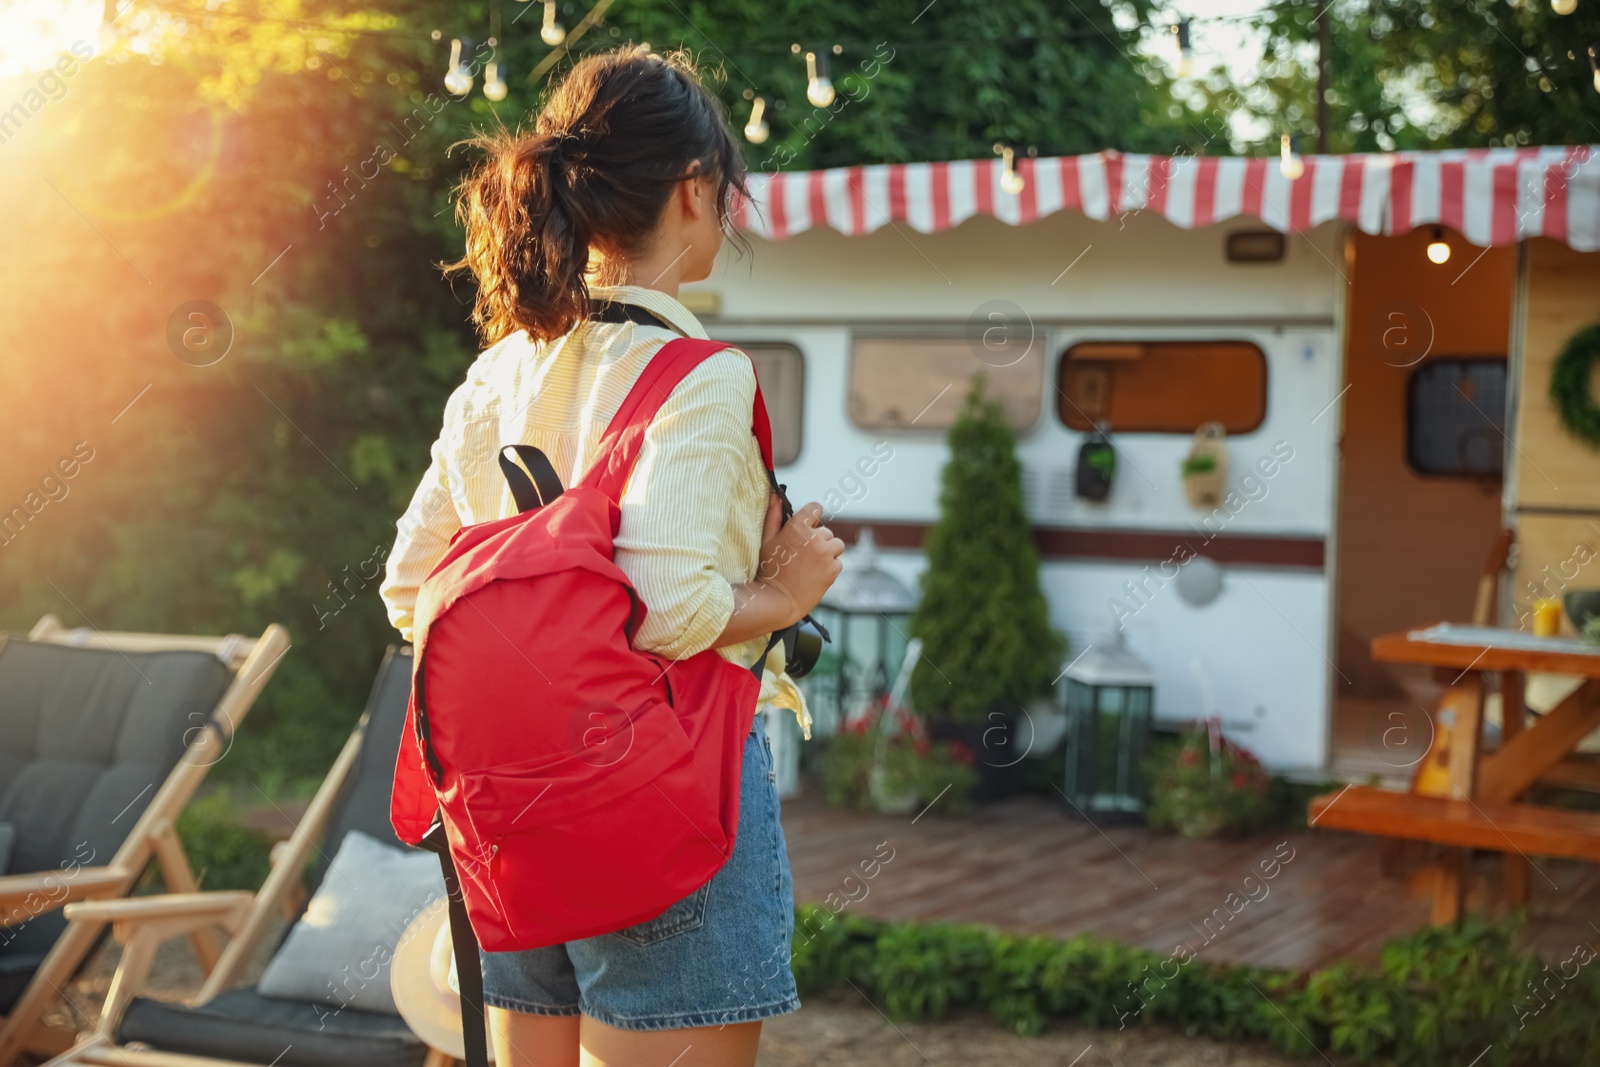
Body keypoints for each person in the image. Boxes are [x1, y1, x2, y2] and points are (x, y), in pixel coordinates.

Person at [379, 45, 845, 1067]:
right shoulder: (698, 373)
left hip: (509, 814)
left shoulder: (500, 369)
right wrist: (783, 589)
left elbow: (409, 586)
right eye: (728, 189)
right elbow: (671, 607)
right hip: (664, 797)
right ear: (693, 189)